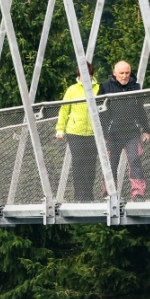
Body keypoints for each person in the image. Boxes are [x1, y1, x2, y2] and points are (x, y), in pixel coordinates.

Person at [99, 60, 150, 200]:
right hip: (112, 134)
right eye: (121, 73)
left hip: (132, 133)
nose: (124, 76)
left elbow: (140, 110)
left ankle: (138, 194)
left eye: (127, 73)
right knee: (111, 163)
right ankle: (109, 194)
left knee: (135, 161)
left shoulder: (136, 87)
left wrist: (146, 130)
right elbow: (100, 113)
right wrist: (102, 134)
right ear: (114, 73)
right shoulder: (105, 87)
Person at [56, 63, 100, 201]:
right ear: (78, 75)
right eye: (82, 76)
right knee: (79, 162)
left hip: (94, 133)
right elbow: (64, 110)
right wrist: (60, 129)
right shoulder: (72, 90)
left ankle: (88, 194)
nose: (85, 78)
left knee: (91, 163)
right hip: (75, 132)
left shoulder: (99, 89)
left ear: (92, 75)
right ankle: (79, 194)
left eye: (88, 75)